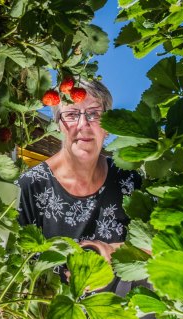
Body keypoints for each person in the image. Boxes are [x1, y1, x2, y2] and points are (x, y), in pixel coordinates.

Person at [16, 79, 141, 266]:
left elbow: (156, 246)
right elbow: (18, 261)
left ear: (107, 126)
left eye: (93, 114)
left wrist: (110, 250)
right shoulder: (31, 187)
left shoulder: (129, 180)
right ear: (59, 125)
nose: (83, 124)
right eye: (72, 114)